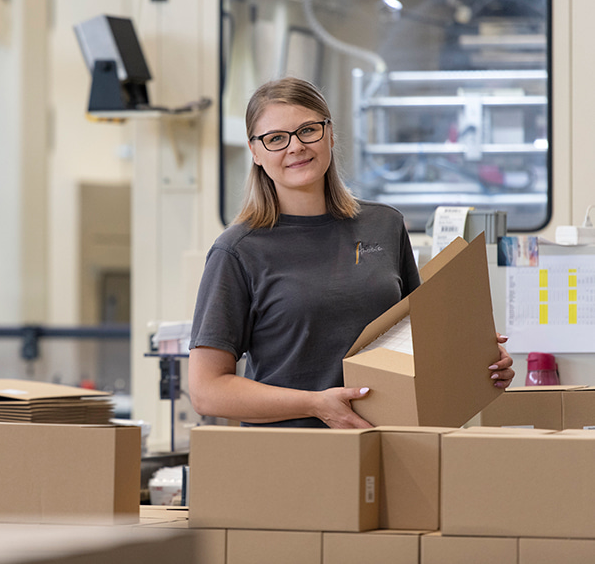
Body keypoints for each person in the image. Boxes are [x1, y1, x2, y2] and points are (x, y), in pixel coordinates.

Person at [188, 76, 514, 429]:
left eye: (308, 130)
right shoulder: (237, 251)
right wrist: (316, 404)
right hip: (290, 456)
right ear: (255, 152)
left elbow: (419, 343)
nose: (295, 147)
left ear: (329, 134)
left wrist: (476, 358)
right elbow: (208, 391)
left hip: (393, 440)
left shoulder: (384, 225)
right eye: (276, 139)